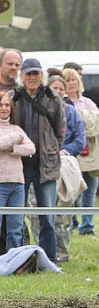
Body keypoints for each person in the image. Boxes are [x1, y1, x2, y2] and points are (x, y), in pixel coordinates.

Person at [12, 58, 65, 262]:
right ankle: (19, 257)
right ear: (22, 76)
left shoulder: (52, 98)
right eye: (29, 74)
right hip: (19, 165)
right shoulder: (13, 97)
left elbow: (60, 131)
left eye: (36, 73)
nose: (32, 77)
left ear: (41, 75)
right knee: (16, 216)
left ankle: (48, 259)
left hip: (46, 164)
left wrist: (52, 149)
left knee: (47, 216)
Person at [47, 76, 86, 263]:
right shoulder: (43, 109)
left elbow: (80, 139)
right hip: (44, 167)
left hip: (66, 168)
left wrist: (64, 151)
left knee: (64, 213)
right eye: (55, 87)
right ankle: (43, 252)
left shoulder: (71, 112)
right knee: (41, 213)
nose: (59, 91)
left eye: (62, 88)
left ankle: (62, 254)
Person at [63, 68, 99, 236]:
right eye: (67, 80)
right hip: (72, 152)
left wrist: (79, 119)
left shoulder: (87, 101)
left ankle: (87, 225)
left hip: (91, 153)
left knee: (90, 189)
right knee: (72, 189)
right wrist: (85, 120)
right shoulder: (62, 103)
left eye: (74, 79)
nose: (71, 83)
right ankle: (71, 223)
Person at [0, 93, 36, 251]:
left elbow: (31, 148)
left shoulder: (17, 128)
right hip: (0, 184)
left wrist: (13, 148)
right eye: (1, 105)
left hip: (18, 185)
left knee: (16, 227)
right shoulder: (17, 133)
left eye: (7, 105)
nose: (4, 108)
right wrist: (15, 138)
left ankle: (14, 261)